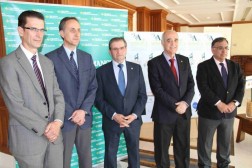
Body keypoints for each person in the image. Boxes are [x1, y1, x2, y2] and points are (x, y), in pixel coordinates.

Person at [0, 10, 65, 168]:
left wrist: (57, 123)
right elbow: (15, 105)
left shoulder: (47, 62)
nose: (39, 34)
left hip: (55, 138)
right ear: (21, 31)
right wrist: (46, 129)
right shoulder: (8, 63)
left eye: (42, 30)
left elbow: (57, 95)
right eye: (33, 29)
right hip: (28, 140)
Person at [46, 17, 97, 168]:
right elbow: (50, 92)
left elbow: (93, 87)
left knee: (86, 161)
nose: (77, 34)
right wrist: (71, 113)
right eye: (72, 30)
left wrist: (83, 111)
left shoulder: (86, 57)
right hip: (63, 120)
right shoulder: (50, 58)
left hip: (84, 119)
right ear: (62, 33)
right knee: (63, 161)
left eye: (79, 30)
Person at [95, 37, 147, 168]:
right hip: (111, 121)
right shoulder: (101, 72)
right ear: (110, 51)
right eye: (115, 49)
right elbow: (98, 99)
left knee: (134, 154)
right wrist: (114, 115)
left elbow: (142, 96)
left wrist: (134, 115)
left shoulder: (136, 69)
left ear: (126, 49)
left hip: (133, 121)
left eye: (122, 48)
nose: (119, 52)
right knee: (110, 155)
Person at [148, 30, 195, 168]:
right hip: (164, 114)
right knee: (162, 152)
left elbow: (191, 85)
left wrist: (185, 103)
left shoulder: (184, 60)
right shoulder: (154, 63)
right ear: (162, 43)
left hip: (183, 114)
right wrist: (176, 105)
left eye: (175, 40)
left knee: (183, 150)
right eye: (169, 40)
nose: (172, 43)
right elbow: (157, 89)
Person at [196, 37, 245, 168]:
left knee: (225, 143)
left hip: (229, 113)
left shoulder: (235, 66)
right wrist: (219, 103)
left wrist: (234, 103)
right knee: (205, 144)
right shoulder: (203, 66)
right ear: (213, 49)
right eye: (220, 48)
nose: (224, 51)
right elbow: (203, 88)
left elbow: (241, 86)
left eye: (226, 48)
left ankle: (223, 165)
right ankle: (204, 165)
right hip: (209, 113)